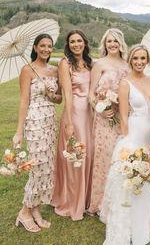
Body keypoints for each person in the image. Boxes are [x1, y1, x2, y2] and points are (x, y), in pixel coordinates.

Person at [100, 44, 150, 245]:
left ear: (148, 60)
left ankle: (141, 230)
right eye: (136, 58)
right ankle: (123, 232)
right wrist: (128, 144)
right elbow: (123, 116)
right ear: (130, 60)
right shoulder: (125, 84)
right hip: (133, 137)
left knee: (145, 182)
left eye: (143, 58)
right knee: (129, 181)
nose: (139, 62)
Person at [13, 33, 62, 232]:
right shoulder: (27, 70)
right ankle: (25, 211)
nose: (46, 49)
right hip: (35, 122)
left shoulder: (54, 70)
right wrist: (19, 132)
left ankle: (36, 210)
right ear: (35, 48)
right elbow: (24, 101)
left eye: (49, 46)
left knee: (48, 167)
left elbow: (59, 100)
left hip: (50, 120)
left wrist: (53, 94)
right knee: (37, 167)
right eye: (42, 46)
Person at [51, 30, 93, 221]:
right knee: (77, 155)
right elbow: (67, 94)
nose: (76, 44)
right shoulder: (65, 63)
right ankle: (72, 200)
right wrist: (68, 121)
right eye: (72, 42)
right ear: (68, 45)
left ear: (84, 42)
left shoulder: (90, 63)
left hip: (90, 114)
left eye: (79, 41)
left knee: (89, 155)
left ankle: (87, 199)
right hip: (74, 113)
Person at [88, 28, 128, 214]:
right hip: (104, 119)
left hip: (122, 118)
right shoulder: (100, 64)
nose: (112, 44)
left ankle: (119, 200)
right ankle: (100, 203)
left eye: (115, 41)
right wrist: (100, 110)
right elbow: (90, 95)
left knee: (120, 158)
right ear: (105, 44)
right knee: (104, 159)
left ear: (121, 43)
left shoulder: (128, 65)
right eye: (109, 41)